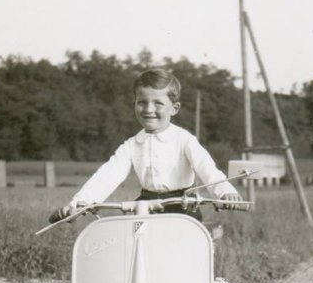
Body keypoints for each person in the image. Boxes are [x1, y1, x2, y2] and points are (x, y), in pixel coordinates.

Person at [49, 67, 242, 223]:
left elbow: (207, 169)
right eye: (142, 102)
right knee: (134, 253)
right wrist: (79, 203)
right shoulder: (132, 145)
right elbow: (107, 175)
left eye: (158, 103)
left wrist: (226, 193)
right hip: (146, 205)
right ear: (134, 104)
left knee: (182, 257)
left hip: (183, 207)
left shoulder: (184, 140)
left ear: (174, 108)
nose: (149, 110)